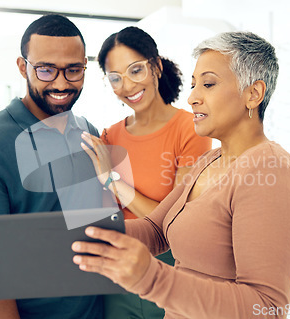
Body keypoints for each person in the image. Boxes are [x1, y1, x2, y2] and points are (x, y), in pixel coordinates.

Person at [73, 31, 290, 319]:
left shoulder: (271, 171)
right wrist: (84, 232)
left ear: (253, 94)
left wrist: (152, 278)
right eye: (194, 85)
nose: (192, 98)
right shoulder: (211, 160)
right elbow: (156, 230)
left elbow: (266, 307)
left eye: (208, 84)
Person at [0, 14, 104, 319]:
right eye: (46, 70)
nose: (61, 83)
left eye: (73, 70)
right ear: (23, 67)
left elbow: (92, 225)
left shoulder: (88, 131)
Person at [81, 26, 211, 319]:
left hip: (171, 274)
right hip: (118, 276)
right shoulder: (109, 136)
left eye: (136, 70)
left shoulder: (192, 130)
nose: (127, 86)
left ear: (156, 67)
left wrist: (112, 180)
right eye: (115, 78)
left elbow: (175, 223)